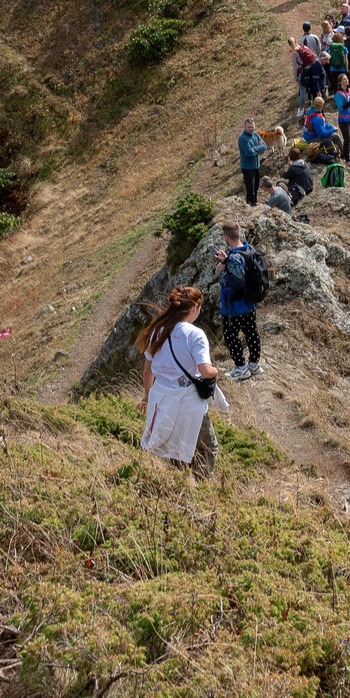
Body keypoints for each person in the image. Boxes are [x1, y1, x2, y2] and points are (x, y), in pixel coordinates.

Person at [140, 286, 226, 474]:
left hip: (161, 399)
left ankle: (170, 487)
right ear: (195, 307)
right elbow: (204, 370)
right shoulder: (195, 334)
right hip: (188, 402)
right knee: (207, 449)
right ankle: (199, 491)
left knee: (170, 451)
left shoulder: (157, 330)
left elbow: (148, 371)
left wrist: (147, 396)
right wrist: (215, 371)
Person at [215, 222, 266, 380]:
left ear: (226, 237)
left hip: (234, 306)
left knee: (231, 336)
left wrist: (221, 272)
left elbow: (236, 282)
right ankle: (254, 364)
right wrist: (226, 260)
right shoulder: (248, 249)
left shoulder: (235, 258)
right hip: (249, 302)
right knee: (251, 332)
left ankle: (240, 368)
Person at [236, 115, 267, 206]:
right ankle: (250, 205)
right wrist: (258, 148)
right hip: (248, 167)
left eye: (252, 127)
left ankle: (254, 202)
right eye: (249, 127)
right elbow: (250, 153)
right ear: (245, 127)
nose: (251, 129)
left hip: (256, 165)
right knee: (250, 189)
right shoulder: (242, 138)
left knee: (256, 187)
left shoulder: (256, 134)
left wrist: (254, 148)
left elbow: (264, 146)